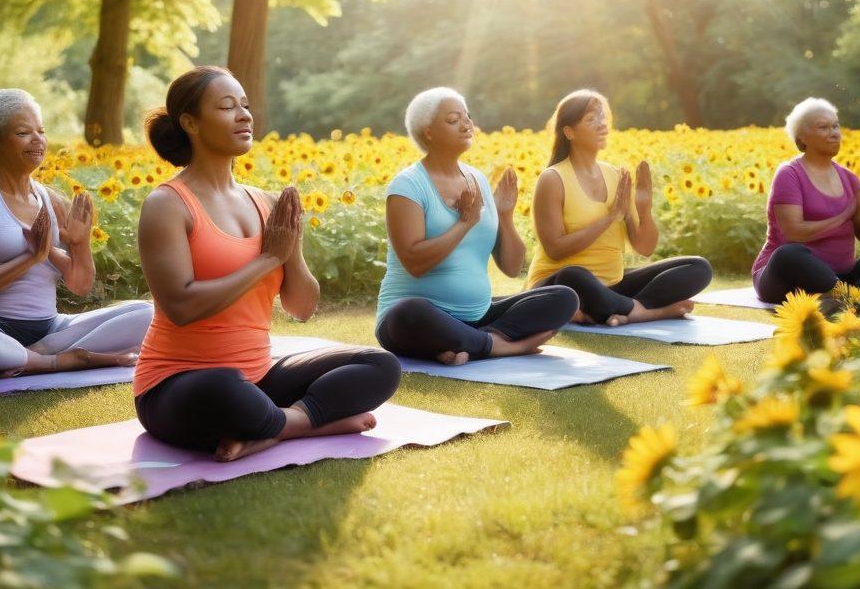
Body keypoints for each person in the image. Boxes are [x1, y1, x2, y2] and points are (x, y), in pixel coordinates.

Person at [134, 66, 400, 462]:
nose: (244, 115)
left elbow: (302, 308)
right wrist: (268, 259)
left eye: (245, 105)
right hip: (177, 386)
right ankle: (312, 422)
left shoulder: (267, 203)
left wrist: (291, 248)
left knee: (380, 365)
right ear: (190, 122)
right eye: (227, 107)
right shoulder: (167, 204)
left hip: (258, 379)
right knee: (224, 388)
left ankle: (273, 428)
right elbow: (182, 307)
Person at [0, 89, 152, 378]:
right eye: (24, 132)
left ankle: (33, 355)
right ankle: (65, 361)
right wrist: (30, 257)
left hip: (48, 329)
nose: (38, 140)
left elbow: (80, 286)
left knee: (146, 314)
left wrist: (80, 243)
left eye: (41, 131)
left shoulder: (54, 202)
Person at [375, 87, 578, 365]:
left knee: (563, 298)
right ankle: (500, 346)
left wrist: (505, 216)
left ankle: (468, 341)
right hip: (413, 319)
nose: (467, 124)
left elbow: (510, 266)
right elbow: (415, 262)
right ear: (428, 131)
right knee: (408, 312)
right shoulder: (407, 185)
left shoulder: (477, 180)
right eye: (453, 119)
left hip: (477, 316)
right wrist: (464, 223)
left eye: (467, 117)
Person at [525, 90, 712, 326]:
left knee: (697, 267)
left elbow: (645, 248)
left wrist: (644, 210)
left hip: (611, 285)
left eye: (602, 118)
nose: (602, 125)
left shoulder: (615, 176)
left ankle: (613, 308)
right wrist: (610, 217)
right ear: (569, 131)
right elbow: (555, 250)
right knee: (573, 275)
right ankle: (648, 313)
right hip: (559, 285)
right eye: (591, 120)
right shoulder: (552, 179)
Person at [752, 97, 860, 305]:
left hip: (841, 274)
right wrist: (847, 212)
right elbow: (794, 232)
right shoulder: (789, 174)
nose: (834, 133)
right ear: (802, 138)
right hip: (784, 278)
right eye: (823, 127)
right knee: (788, 253)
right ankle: (847, 296)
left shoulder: (849, 178)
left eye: (835, 126)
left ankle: (839, 290)